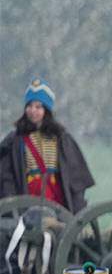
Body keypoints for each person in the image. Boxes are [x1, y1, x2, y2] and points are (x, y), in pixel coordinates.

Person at [1, 81, 94, 211]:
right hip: (27, 197)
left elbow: (76, 178)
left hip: (57, 198)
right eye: (30, 106)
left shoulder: (62, 139)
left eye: (38, 107)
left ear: (46, 110)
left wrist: (77, 207)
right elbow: (6, 176)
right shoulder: (15, 140)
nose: (33, 111)